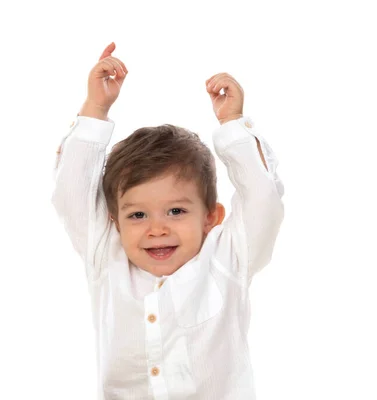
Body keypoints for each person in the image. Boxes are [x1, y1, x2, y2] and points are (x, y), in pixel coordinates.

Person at [51, 42, 285, 399]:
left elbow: (263, 199)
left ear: (211, 217)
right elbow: (71, 192)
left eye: (176, 211)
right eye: (138, 215)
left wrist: (232, 124)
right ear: (115, 221)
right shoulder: (107, 257)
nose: (156, 229)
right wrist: (96, 108)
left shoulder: (229, 258)